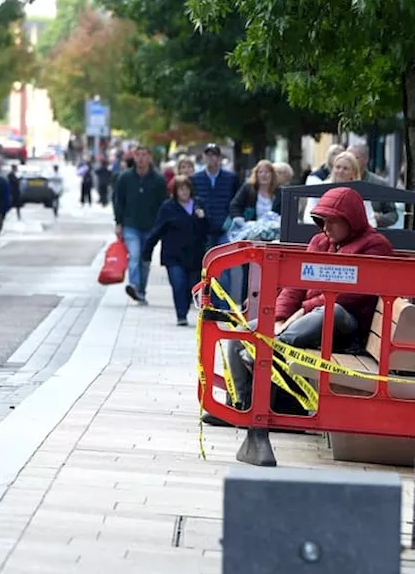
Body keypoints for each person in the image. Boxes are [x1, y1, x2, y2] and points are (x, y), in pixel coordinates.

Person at [217, 187, 393, 439]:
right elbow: (295, 284)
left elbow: (352, 294)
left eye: (332, 221)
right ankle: (241, 407)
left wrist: (300, 312)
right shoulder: (320, 242)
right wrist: (278, 318)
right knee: (242, 334)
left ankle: (271, 348)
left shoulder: (375, 246)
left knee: (331, 311)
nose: (325, 228)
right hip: (303, 322)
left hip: (346, 330)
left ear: (351, 219)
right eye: (322, 221)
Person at [142, 176, 209, 326]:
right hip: (174, 256)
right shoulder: (168, 207)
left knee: (191, 286)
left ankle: (184, 307)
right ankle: (181, 315)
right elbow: (157, 230)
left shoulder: (199, 205)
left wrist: (203, 218)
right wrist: (147, 252)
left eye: (186, 188)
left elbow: (207, 230)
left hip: (195, 256)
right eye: (180, 189)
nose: (184, 192)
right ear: (175, 191)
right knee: (178, 283)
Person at [113, 144, 167, 305]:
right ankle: (134, 285)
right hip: (131, 225)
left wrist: (162, 227)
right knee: (134, 256)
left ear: (149, 157)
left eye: (144, 155)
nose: (141, 158)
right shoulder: (125, 178)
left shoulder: (158, 180)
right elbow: (118, 201)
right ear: (134, 157)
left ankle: (141, 292)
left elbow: (163, 204)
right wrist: (118, 222)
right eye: (138, 155)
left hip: (151, 227)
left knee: (145, 261)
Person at [192, 143, 240, 250]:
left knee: (224, 261)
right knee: (205, 262)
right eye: (208, 155)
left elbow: (236, 201)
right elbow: (193, 199)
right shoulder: (195, 178)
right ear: (203, 157)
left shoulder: (231, 178)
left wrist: (230, 219)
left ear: (219, 158)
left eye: (214, 155)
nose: (210, 158)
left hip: (224, 227)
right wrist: (197, 210)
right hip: (203, 228)